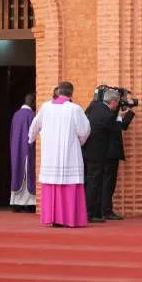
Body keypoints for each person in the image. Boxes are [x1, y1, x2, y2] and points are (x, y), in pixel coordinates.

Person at [28, 81, 91, 227]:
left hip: (50, 155)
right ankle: (70, 219)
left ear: (58, 92)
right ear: (71, 93)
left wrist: (31, 139)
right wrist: (80, 142)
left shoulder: (45, 107)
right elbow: (84, 131)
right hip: (69, 154)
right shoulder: (75, 109)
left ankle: (53, 218)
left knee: (52, 185)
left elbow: (34, 126)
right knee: (69, 184)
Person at [83, 87, 134, 222]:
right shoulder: (108, 114)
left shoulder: (95, 107)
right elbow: (118, 127)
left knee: (96, 182)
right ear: (113, 102)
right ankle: (93, 212)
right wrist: (121, 116)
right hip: (103, 152)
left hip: (91, 151)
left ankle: (96, 212)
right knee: (99, 183)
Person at [9, 93, 37, 213]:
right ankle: (29, 205)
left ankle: (16, 203)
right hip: (28, 151)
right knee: (28, 175)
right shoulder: (32, 115)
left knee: (17, 172)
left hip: (16, 150)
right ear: (33, 102)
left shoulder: (16, 115)